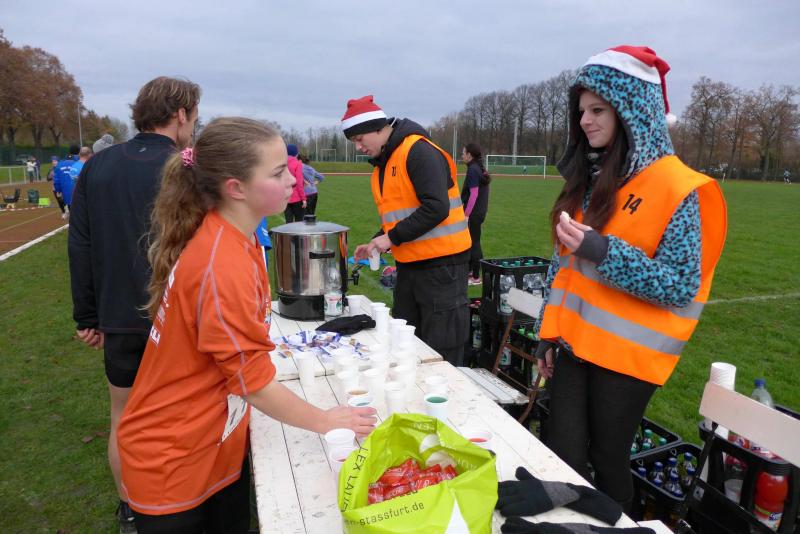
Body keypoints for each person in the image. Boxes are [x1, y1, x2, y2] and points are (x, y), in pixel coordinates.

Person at [116, 117, 376, 532]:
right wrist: (326, 420)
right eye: (277, 173)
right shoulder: (221, 261)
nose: (292, 180)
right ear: (236, 188)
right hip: (174, 458)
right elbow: (251, 382)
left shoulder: (243, 238)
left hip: (213, 439)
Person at [533, 46, 727, 510]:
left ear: (632, 110)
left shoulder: (683, 188)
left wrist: (603, 251)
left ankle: (616, 520)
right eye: (581, 111)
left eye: (598, 110)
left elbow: (679, 285)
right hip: (573, 345)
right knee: (561, 452)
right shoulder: (591, 179)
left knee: (607, 459)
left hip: (627, 360)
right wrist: (546, 333)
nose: (584, 121)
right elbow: (563, 269)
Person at [68, 76, 201, 533]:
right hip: (180, 318)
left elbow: (80, 244)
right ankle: (181, 503)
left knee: (123, 418)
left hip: (120, 318)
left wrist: (87, 314)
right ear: (180, 114)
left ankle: (131, 508)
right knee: (184, 416)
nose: (193, 125)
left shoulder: (98, 165)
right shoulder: (187, 165)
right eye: (194, 116)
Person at [343, 95, 472, 365]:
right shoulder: (384, 164)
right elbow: (401, 214)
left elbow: (436, 207)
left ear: (377, 128)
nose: (358, 147)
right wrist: (378, 240)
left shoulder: (418, 151)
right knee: (406, 342)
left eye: (359, 139)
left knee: (442, 348)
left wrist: (390, 238)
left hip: (443, 267)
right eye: (353, 141)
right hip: (410, 266)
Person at [461, 142, 491, 285]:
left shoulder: (473, 170)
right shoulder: (478, 168)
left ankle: (475, 277)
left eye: (463, 153)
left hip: (474, 213)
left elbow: (473, 195)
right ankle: (471, 271)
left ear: (469, 155)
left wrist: (466, 214)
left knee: (474, 243)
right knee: (472, 242)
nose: (462, 156)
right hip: (478, 212)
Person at [54, 145, 79, 218]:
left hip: (66, 193)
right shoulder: (79, 163)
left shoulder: (60, 164)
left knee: (72, 212)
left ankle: (67, 213)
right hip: (78, 192)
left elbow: (56, 180)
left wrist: (58, 190)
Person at [283, 143, 306, 222]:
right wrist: (303, 199)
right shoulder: (298, 163)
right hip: (297, 198)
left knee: (288, 223)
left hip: (285, 198)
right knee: (299, 223)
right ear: (296, 154)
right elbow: (299, 183)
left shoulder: (282, 164)